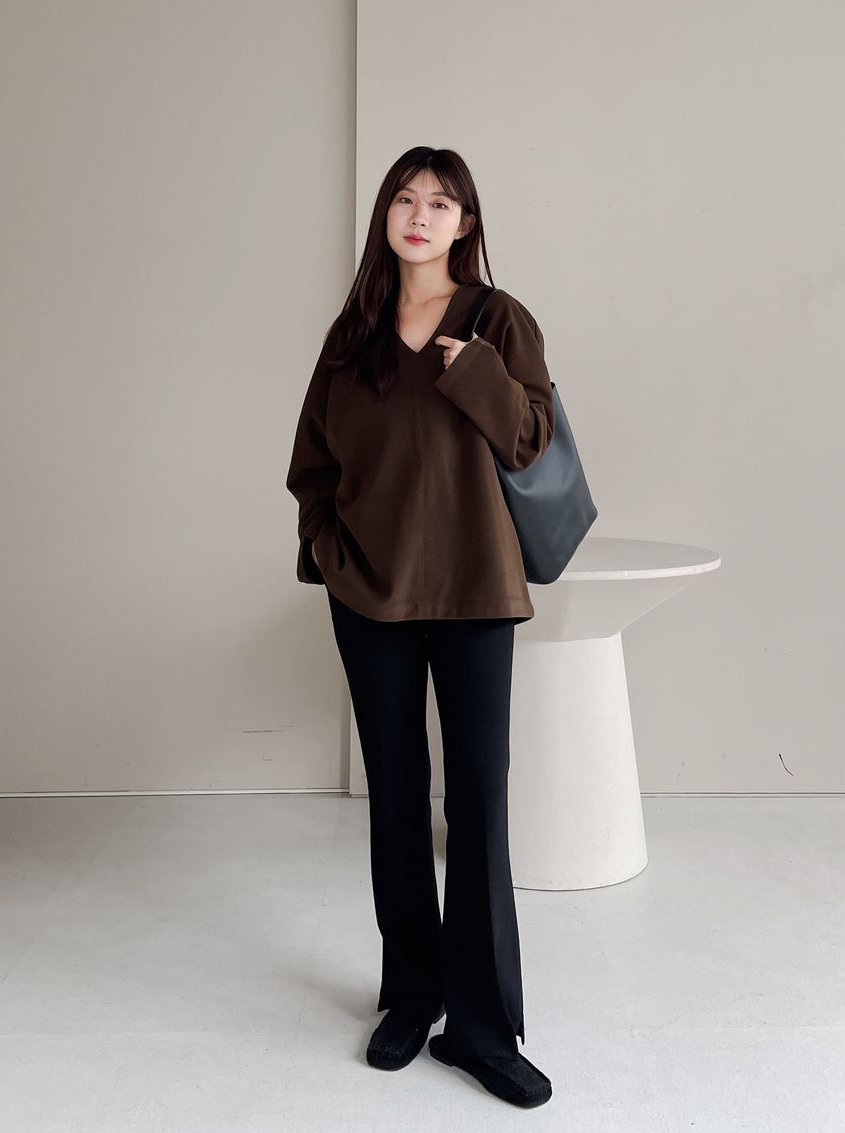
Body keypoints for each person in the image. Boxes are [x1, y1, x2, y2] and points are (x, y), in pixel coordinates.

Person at [285, 146, 554, 1108]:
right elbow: (312, 464)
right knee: (396, 796)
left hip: (477, 592)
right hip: (370, 599)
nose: (420, 215)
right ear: (386, 215)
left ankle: (480, 1028)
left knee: (477, 800)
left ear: (465, 224)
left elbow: (532, 439)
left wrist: (474, 371)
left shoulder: (497, 320)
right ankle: (411, 994)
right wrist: (329, 549)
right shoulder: (352, 333)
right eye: (406, 198)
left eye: (441, 203)